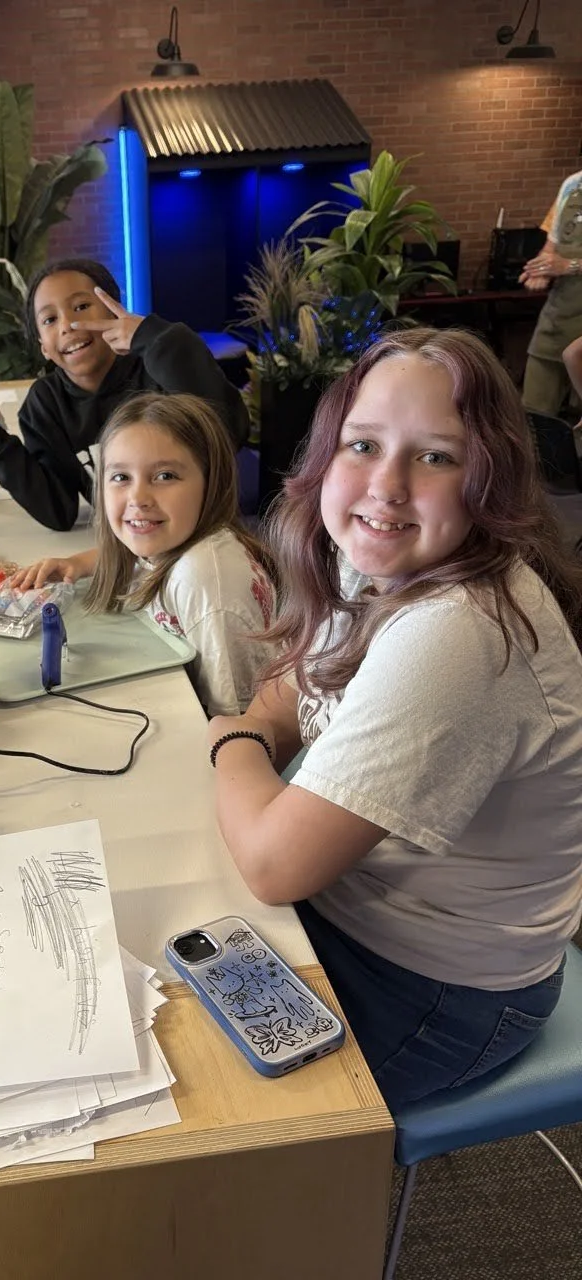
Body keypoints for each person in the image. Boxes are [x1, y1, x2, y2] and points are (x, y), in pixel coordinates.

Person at [205, 327, 582, 1111]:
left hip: (440, 991)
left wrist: (231, 741)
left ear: (493, 481)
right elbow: (288, 688)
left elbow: (277, 864)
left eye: (436, 456)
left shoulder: (461, 628)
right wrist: (258, 733)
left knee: (203, 1097)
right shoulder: (381, 556)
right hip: (357, 919)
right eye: (364, 444)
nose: (387, 485)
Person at [0, 258, 250, 532]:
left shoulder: (159, 369)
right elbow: (59, 512)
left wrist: (155, 338)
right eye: (50, 319)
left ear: (115, 313)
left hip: (200, 540)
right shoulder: (45, 405)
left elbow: (229, 431)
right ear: (43, 346)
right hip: (124, 554)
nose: (67, 326)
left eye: (81, 307)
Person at [12, 392, 275, 718]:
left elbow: (236, 719)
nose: (138, 497)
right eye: (121, 477)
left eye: (165, 476)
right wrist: (78, 564)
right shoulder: (174, 542)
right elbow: (138, 556)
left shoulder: (204, 579)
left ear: (211, 482)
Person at [520, 169, 582, 417]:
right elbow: (551, 247)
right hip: (558, 318)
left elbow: (565, 263)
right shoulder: (572, 185)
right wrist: (542, 268)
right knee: (533, 418)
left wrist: (570, 266)